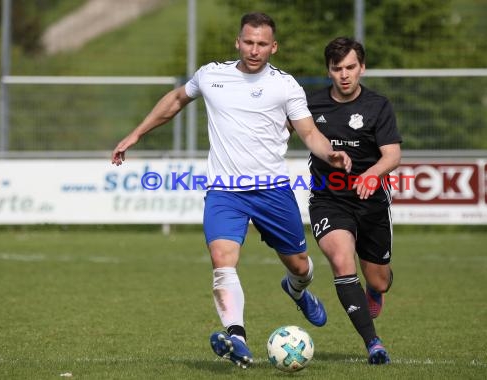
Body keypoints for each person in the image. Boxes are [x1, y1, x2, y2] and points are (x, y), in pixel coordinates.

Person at [111, 13, 351, 368]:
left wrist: (330, 152)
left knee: (300, 266)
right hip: (225, 191)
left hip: (273, 191)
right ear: (238, 42)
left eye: (262, 44)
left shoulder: (285, 86)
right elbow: (177, 99)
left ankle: (296, 289)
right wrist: (137, 133)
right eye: (248, 42)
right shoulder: (211, 75)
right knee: (222, 261)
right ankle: (236, 337)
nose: (254, 50)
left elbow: (310, 133)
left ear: (273, 47)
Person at [306, 37, 402, 365]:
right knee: (341, 262)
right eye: (337, 69)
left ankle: (375, 290)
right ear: (328, 71)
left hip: (371, 200)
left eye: (350, 67)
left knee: (378, 280)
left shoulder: (378, 106)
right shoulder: (311, 106)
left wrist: (373, 173)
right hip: (328, 199)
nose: (344, 74)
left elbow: (392, 154)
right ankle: (373, 343)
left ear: (362, 67)